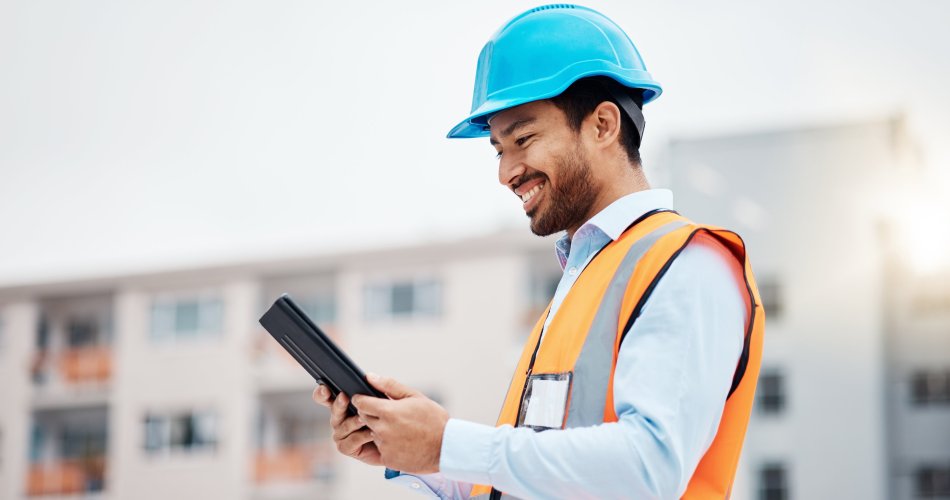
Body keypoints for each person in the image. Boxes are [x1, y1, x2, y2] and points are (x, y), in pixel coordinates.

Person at [313, 4, 764, 499]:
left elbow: (649, 468)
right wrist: (417, 453)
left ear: (603, 126)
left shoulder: (687, 263)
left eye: (522, 139)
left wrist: (449, 443)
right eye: (498, 150)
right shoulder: (581, 284)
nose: (506, 173)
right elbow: (542, 481)